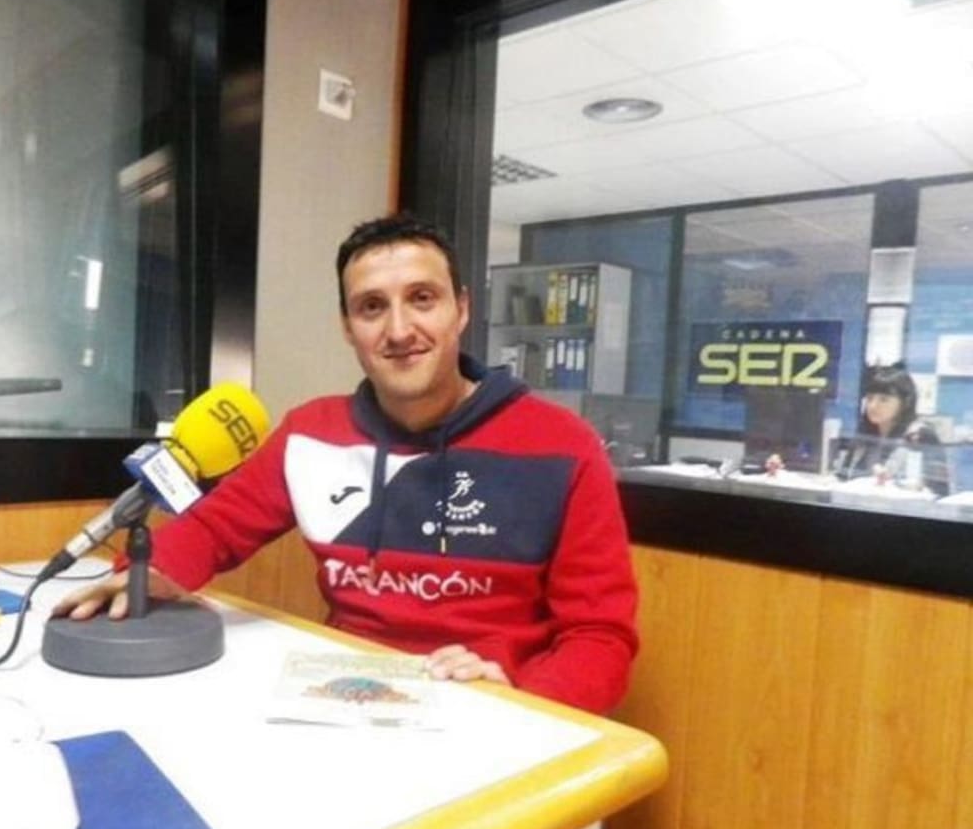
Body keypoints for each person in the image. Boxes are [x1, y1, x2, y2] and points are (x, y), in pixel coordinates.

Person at [53, 212, 639, 713]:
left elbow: (600, 639)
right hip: (348, 702)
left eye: (423, 298)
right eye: (371, 307)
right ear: (347, 327)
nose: (399, 330)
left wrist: (521, 698)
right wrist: (138, 578)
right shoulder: (311, 433)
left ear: (461, 309)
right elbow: (214, 529)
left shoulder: (564, 445)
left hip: (494, 709)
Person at [839, 364, 949, 496]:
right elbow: (843, 477)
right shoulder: (864, 435)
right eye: (869, 398)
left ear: (905, 402)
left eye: (883, 400)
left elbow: (940, 491)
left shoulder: (921, 435)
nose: (873, 406)